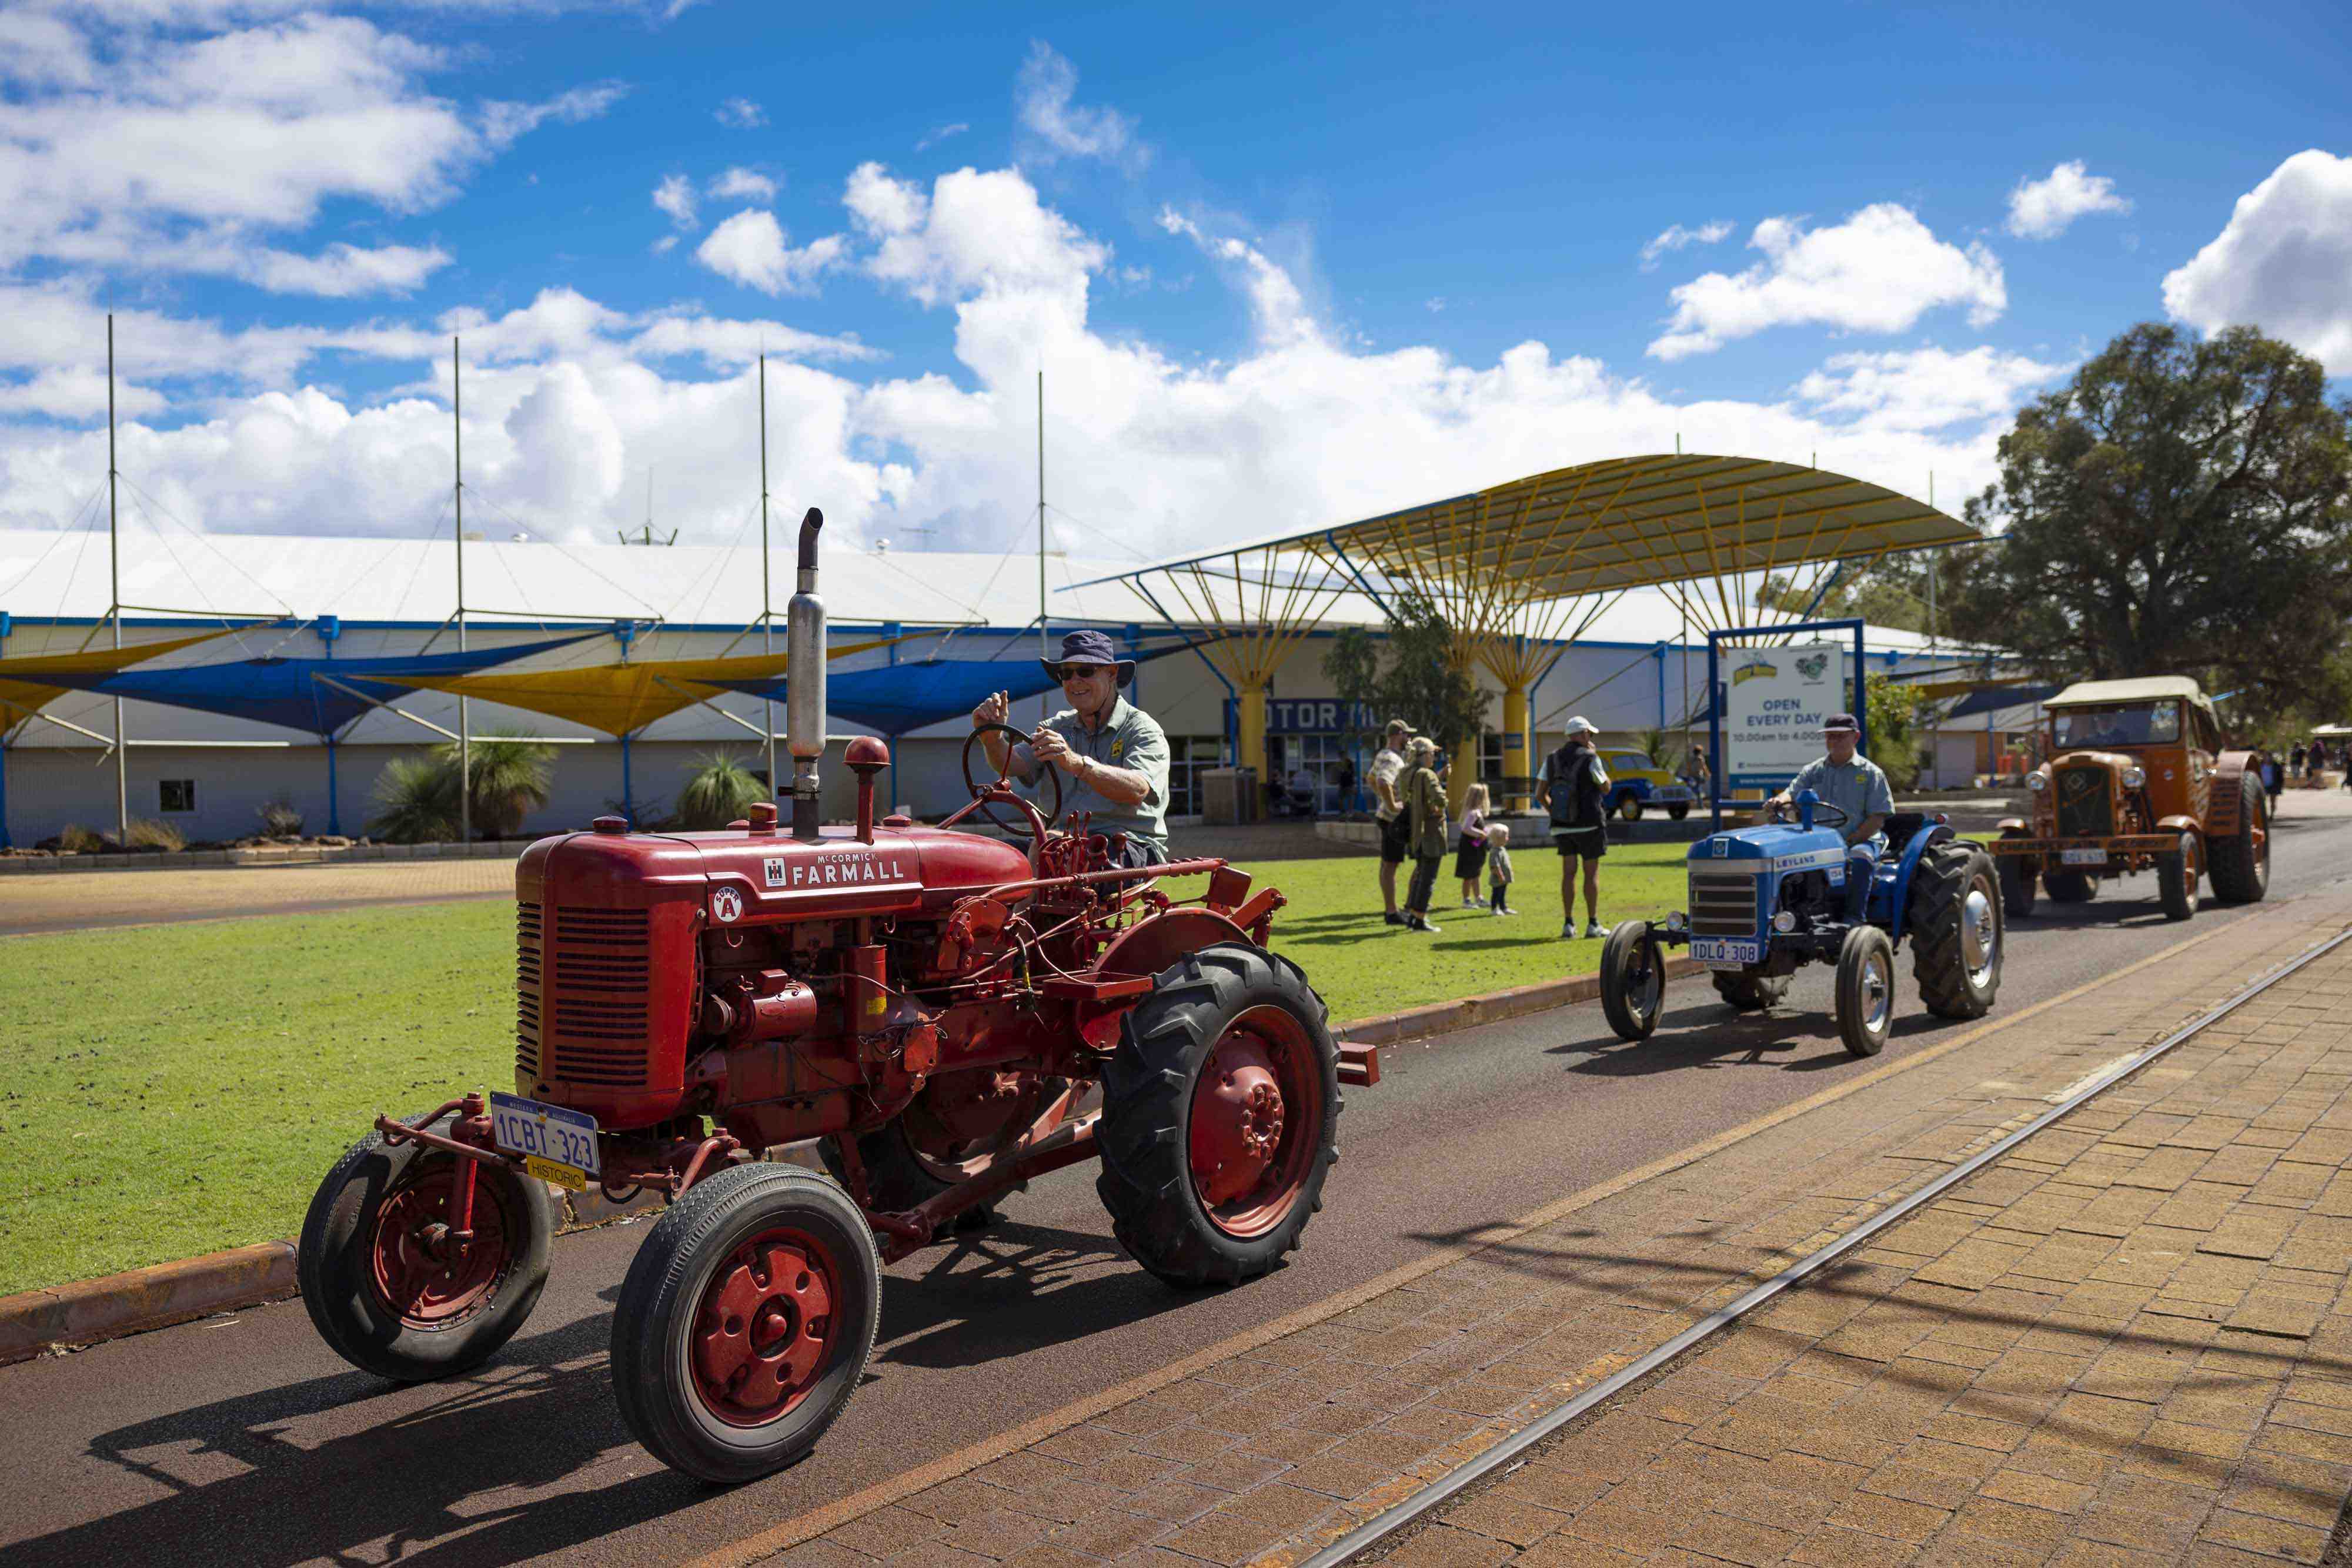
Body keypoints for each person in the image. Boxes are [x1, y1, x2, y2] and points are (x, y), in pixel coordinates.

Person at [972, 628, 1171, 868]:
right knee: (982, 857)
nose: (1075, 681)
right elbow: (1014, 764)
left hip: (1129, 847)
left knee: (1052, 849)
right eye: (1066, 674)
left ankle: (1022, 909)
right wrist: (992, 738)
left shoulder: (1141, 729)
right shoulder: (1058, 727)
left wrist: (1077, 763)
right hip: (1059, 843)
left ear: (1111, 673)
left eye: (1086, 671)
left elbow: (1137, 789)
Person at [1768, 711, 1895, 922]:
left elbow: (1877, 818)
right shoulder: (1814, 770)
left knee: (1860, 858)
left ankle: (1854, 919)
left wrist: (1850, 841)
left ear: (1856, 737)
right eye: (1830, 736)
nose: (1834, 741)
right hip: (1817, 842)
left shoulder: (1872, 774)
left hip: (1859, 840)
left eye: (1840, 736)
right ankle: (1788, 918)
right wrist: (1778, 801)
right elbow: (1791, 792)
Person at [1541, 716, 1609, 940]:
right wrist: (1596, 756)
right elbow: (1606, 787)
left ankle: (1568, 924)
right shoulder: (1591, 758)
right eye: (1590, 733)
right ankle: (1593, 924)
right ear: (1583, 735)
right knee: (1591, 874)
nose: (1591, 738)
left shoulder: (1551, 759)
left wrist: (1556, 814)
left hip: (1562, 827)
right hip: (1590, 825)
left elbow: (1539, 795)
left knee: (1568, 874)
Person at [1401, 736, 1448, 932]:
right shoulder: (1427, 775)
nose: (1434, 758)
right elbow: (1440, 799)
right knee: (1429, 878)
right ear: (1424, 755)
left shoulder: (1405, 773)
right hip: (1430, 831)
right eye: (1432, 754)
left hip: (1414, 832)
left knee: (1420, 874)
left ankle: (1413, 915)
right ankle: (1420, 919)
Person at [1371, 719, 1412, 926]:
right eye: (1407, 735)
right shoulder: (1394, 759)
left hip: (1385, 817)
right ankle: (1392, 912)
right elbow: (1382, 781)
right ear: (1398, 735)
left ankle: (1391, 909)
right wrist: (1393, 805)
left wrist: (1384, 800)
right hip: (1392, 819)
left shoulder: (1382, 755)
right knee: (1391, 866)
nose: (1409, 739)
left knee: (1387, 865)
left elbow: (1371, 778)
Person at [1455, 781, 1491, 907]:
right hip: (1470, 848)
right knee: (1469, 875)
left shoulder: (1477, 812)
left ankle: (1479, 898)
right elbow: (1466, 828)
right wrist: (1481, 833)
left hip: (1477, 848)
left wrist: (1486, 831)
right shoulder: (1473, 813)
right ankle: (1466, 900)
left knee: (1476, 873)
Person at [1485, 820, 1518, 915]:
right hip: (1498, 878)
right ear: (1498, 839)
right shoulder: (1494, 852)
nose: (1508, 839)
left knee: (1502, 893)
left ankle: (1503, 908)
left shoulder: (1502, 849)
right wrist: (1500, 876)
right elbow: (1494, 866)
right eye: (1506, 836)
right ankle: (1494, 909)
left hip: (1504, 878)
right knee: (1496, 893)